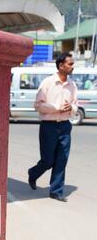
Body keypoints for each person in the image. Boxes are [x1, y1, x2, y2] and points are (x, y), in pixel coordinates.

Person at [28, 53, 78, 202]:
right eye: (70, 64)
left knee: (62, 159)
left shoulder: (73, 85)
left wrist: (72, 107)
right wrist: (57, 108)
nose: (72, 66)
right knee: (48, 160)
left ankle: (56, 191)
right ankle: (33, 173)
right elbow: (37, 105)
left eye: (72, 64)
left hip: (65, 126)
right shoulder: (47, 83)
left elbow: (76, 104)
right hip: (48, 126)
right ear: (61, 65)